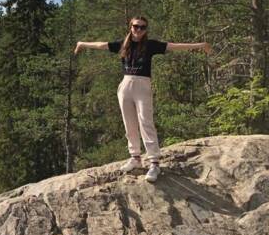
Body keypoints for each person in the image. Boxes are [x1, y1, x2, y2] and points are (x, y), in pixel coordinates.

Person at [73, 16, 212, 182]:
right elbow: (101, 45)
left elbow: (174, 46)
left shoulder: (150, 45)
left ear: (146, 29)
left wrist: (200, 45)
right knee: (129, 123)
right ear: (130, 27)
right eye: (136, 26)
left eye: (142, 27)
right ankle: (135, 158)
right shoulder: (123, 44)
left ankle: (154, 163)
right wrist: (82, 44)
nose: (138, 30)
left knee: (146, 122)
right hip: (125, 85)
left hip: (142, 85)